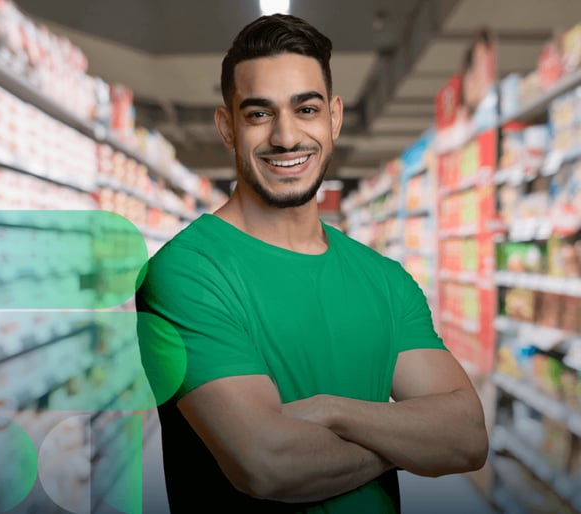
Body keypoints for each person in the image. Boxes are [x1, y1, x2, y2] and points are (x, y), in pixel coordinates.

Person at [135, 13, 488, 513]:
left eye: (306, 108)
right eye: (259, 114)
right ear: (227, 127)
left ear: (334, 118)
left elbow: (468, 436)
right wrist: (405, 440)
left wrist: (332, 411)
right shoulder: (187, 273)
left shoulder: (384, 279)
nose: (285, 137)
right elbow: (268, 463)